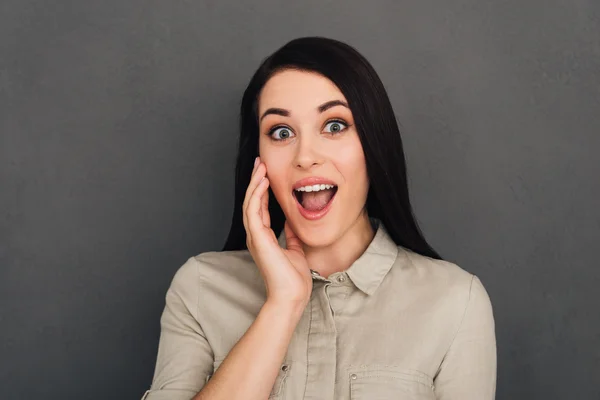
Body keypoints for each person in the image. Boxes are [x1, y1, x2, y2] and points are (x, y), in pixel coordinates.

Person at [141, 36, 496, 400]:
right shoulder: (201, 288)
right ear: (258, 160)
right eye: (281, 132)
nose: (305, 156)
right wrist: (283, 304)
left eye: (335, 126)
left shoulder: (454, 301)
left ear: (373, 144)